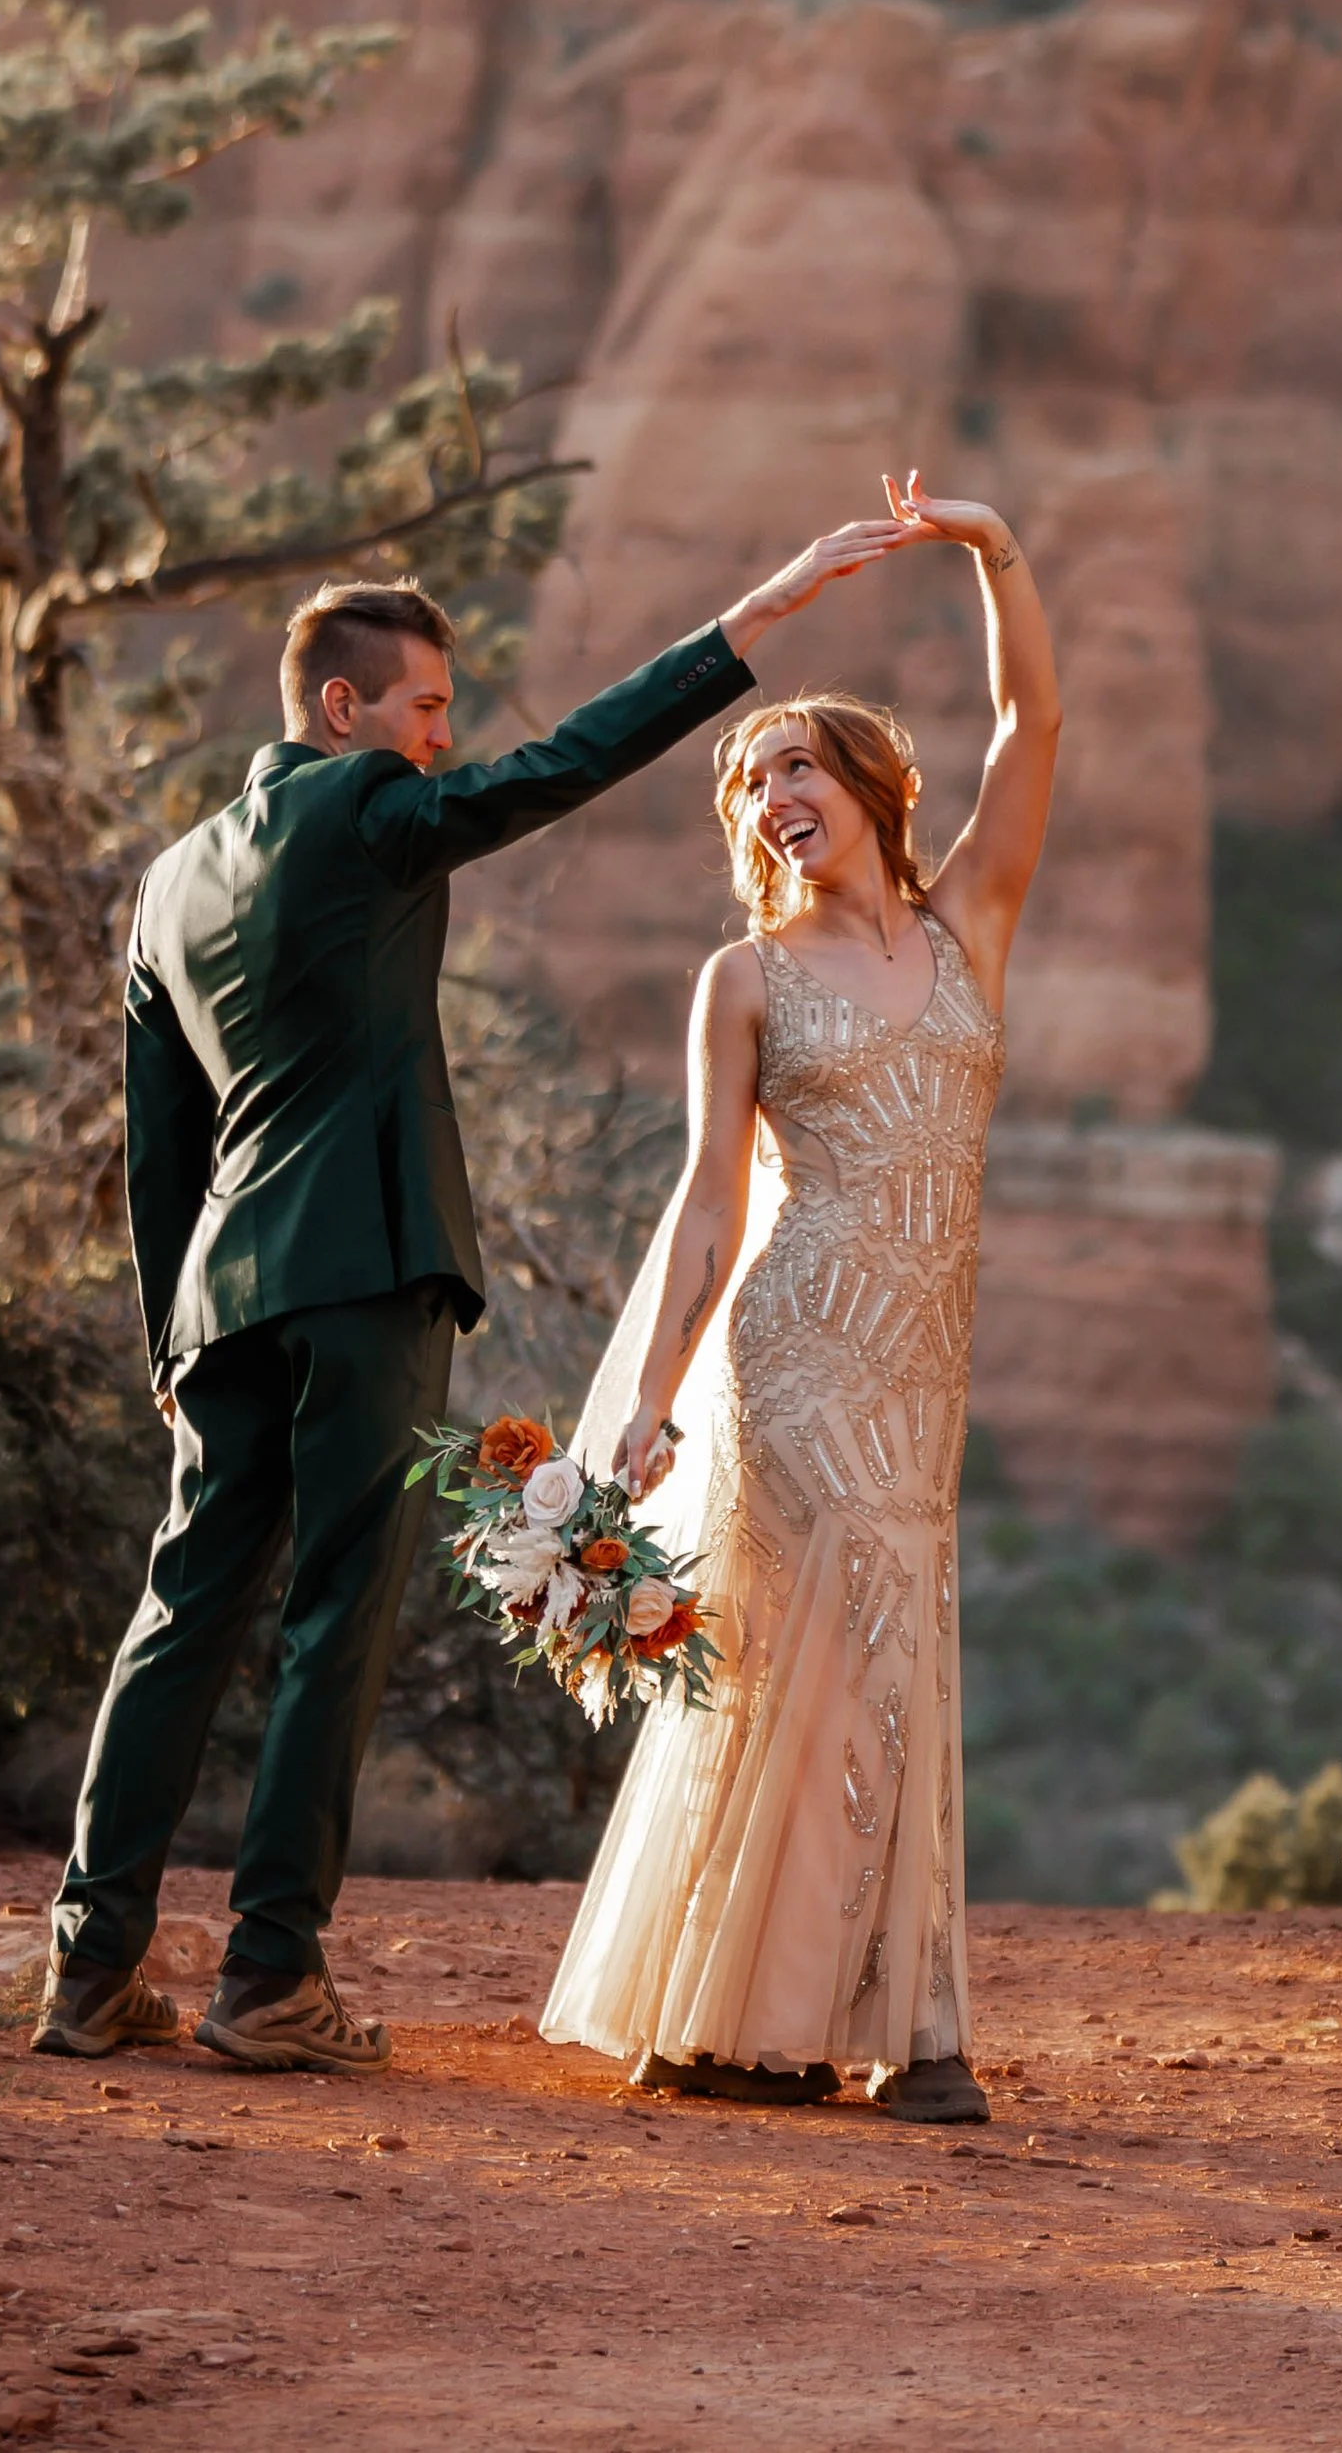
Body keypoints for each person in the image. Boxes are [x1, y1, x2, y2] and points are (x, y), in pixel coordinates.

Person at [34, 517, 913, 2075]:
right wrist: (748, 624)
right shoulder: (371, 808)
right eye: (427, 708)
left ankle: (90, 1967)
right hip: (363, 1269)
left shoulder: (168, 882)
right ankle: (268, 1980)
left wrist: (169, 1331)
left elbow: (156, 1144)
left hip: (222, 1290)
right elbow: (558, 766)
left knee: (182, 1609)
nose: (446, 737)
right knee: (336, 1618)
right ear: (343, 711)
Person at [541, 474, 1060, 2122]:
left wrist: (990, 548)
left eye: (797, 767)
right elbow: (708, 1201)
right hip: (798, 1349)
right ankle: (858, 2033)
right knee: (817, 1658)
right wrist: (648, 1397)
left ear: (872, 788)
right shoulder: (742, 979)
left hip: (925, 1365)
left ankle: (850, 2013)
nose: (774, 796)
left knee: (901, 1650)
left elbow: (1033, 712)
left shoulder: (970, 921)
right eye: (754, 779)